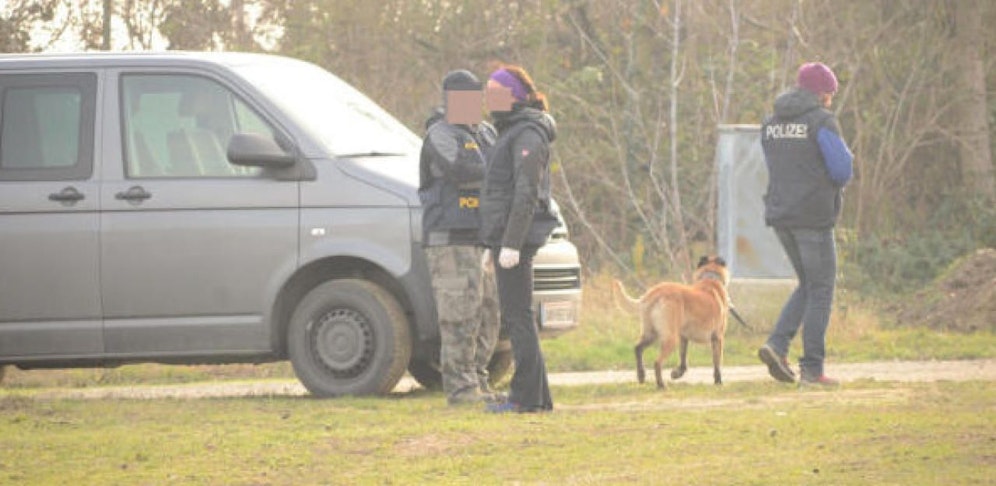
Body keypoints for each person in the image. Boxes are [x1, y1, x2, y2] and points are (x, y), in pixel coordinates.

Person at [757, 61, 854, 388]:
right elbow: (841, 170)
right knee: (822, 286)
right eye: (830, 93)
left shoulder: (771, 123)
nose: (831, 99)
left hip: (782, 214)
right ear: (821, 93)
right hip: (813, 217)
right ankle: (812, 369)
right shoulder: (821, 121)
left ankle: (777, 345)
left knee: (808, 284)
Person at [480, 65, 560, 413]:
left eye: (494, 91)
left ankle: (523, 399)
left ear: (513, 95)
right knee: (519, 317)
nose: (487, 98)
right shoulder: (510, 131)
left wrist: (511, 243)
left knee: (518, 318)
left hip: (519, 238)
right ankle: (538, 399)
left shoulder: (527, 133)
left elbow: (525, 192)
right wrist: (492, 242)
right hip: (506, 236)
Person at [419, 69, 501, 406]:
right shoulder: (439, 134)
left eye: (477, 97)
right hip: (449, 239)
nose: (474, 104)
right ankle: (460, 388)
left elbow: (498, 170)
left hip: (482, 238)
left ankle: (479, 382)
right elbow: (463, 172)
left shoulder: (485, 133)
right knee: (458, 314)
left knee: (488, 312)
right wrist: (491, 168)